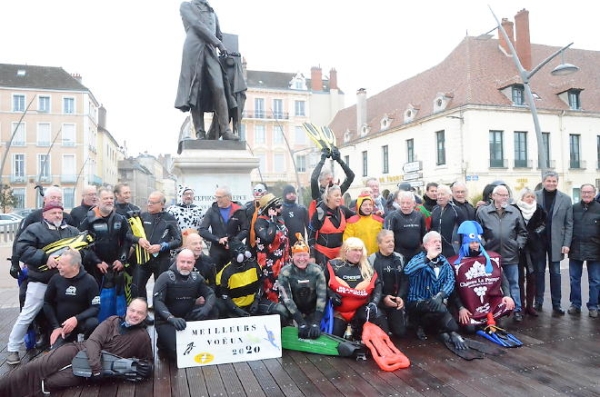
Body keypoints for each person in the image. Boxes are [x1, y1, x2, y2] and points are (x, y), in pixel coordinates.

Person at [0, 299, 153, 397]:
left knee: (49, 382)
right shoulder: (112, 321)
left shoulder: (142, 337)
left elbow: (148, 361)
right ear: (127, 309)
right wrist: (96, 367)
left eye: (139, 313)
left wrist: (148, 369)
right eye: (132, 310)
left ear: (145, 316)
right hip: (78, 351)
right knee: (36, 367)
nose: (134, 315)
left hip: (87, 371)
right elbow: (93, 341)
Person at [7, 201, 81, 365]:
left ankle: (68, 348)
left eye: (60, 213)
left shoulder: (72, 231)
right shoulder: (34, 229)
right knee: (28, 314)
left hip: (65, 282)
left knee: (68, 315)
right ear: (44, 214)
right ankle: (12, 348)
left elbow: (83, 250)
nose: (57, 215)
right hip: (41, 280)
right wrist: (43, 257)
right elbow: (22, 249)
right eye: (53, 213)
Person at [174, 0, 238, 141]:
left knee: (219, 87)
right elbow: (196, 25)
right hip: (194, 48)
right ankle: (200, 132)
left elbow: (219, 34)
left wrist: (233, 53)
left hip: (211, 50)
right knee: (195, 91)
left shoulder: (212, 12)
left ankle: (225, 130)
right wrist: (218, 43)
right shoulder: (186, 6)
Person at [448, 221, 515, 331]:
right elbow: (452, 290)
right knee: (469, 328)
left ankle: (489, 318)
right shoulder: (454, 264)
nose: (474, 245)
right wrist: (460, 308)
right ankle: (481, 321)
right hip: (468, 307)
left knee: (507, 305)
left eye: (476, 242)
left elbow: (503, 278)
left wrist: (507, 295)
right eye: (471, 242)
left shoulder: (491, 259)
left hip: (489, 304)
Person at [153, 249, 217, 359]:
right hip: (166, 321)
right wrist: (170, 318)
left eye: (189, 262)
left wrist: (206, 308)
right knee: (179, 351)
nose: (185, 265)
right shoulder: (165, 277)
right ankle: (163, 342)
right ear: (176, 261)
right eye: (182, 262)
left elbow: (210, 295)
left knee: (214, 310)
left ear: (193, 263)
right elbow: (157, 301)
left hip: (187, 317)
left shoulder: (196, 278)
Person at [477, 185, 528, 322]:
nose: (504, 197)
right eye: (500, 195)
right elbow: (478, 232)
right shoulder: (483, 212)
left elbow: (523, 232)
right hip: (490, 256)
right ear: (493, 196)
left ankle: (517, 309)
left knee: (514, 283)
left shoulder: (514, 212)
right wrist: (484, 245)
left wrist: (518, 245)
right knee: (491, 284)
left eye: (506, 195)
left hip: (511, 254)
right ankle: (494, 310)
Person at [325, 237, 387, 338]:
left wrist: (374, 303)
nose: (358, 253)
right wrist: (330, 294)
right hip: (339, 312)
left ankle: (355, 330)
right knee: (334, 338)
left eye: (360, 250)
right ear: (346, 251)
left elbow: (378, 285)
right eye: (355, 250)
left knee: (380, 321)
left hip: (359, 311)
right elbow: (321, 284)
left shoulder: (367, 266)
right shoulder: (333, 265)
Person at [404, 231, 460, 341]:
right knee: (442, 312)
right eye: (435, 242)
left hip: (436, 301)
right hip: (417, 302)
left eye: (439, 241)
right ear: (426, 245)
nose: (438, 244)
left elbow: (450, 280)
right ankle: (418, 325)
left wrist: (441, 295)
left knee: (440, 308)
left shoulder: (444, 261)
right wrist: (428, 258)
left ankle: (440, 329)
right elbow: (408, 271)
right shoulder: (418, 259)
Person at [9, 186, 73, 280]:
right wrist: (15, 263)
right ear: (45, 199)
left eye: (59, 198)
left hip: (63, 270)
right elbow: (20, 241)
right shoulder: (32, 217)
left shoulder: (67, 217)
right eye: (53, 197)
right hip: (37, 268)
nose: (56, 200)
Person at [43, 248, 99, 349]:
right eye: (58, 263)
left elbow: (95, 307)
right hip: (60, 326)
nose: (58, 266)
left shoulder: (90, 281)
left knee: (93, 323)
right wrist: (56, 327)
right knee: (56, 356)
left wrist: (76, 319)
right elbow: (47, 303)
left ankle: (85, 345)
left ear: (75, 266)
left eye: (62, 265)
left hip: (80, 323)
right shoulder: (56, 279)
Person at [534, 171, 573, 315]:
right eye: (548, 181)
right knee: (538, 272)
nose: (551, 183)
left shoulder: (566, 199)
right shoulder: (535, 196)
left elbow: (569, 224)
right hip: (538, 241)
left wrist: (566, 243)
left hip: (556, 241)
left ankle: (556, 304)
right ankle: (538, 302)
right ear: (543, 181)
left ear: (557, 182)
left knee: (556, 273)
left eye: (554, 181)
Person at [131, 191, 182, 300]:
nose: (149, 204)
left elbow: (178, 240)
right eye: (149, 201)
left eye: (153, 202)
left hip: (162, 259)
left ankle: (159, 313)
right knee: (136, 287)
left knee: (160, 290)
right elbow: (128, 235)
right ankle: (142, 312)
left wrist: (161, 246)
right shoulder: (142, 216)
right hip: (143, 258)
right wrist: (138, 240)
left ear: (162, 205)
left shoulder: (169, 218)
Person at [79, 187, 131, 286]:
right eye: (105, 198)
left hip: (116, 265)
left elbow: (126, 241)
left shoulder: (120, 219)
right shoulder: (89, 220)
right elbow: (83, 244)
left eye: (111, 198)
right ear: (98, 200)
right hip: (94, 266)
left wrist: (122, 260)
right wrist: (97, 262)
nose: (109, 201)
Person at [278, 234, 327, 339]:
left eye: (304, 255)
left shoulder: (317, 270)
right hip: (294, 311)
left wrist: (316, 322)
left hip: (311, 309)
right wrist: (300, 322)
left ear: (309, 256)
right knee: (280, 309)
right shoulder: (285, 272)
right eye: (298, 255)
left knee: (312, 333)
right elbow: (287, 299)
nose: (302, 259)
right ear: (292, 256)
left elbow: (322, 297)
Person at [567, 184, 600, 318]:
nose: (586, 195)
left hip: (595, 249)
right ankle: (575, 304)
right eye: (584, 192)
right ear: (580, 193)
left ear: (594, 193)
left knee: (595, 280)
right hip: (576, 248)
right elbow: (568, 227)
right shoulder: (574, 208)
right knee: (574, 279)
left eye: (589, 192)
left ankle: (593, 305)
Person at [513, 188, 547, 317]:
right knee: (519, 278)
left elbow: (544, 225)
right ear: (522, 198)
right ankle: (520, 305)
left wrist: (533, 235)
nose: (530, 199)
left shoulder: (539, 210)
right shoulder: (514, 209)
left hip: (534, 248)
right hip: (518, 248)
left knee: (532, 277)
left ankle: (530, 306)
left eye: (532, 197)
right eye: (527, 196)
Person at [368, 230, 408, 338]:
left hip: (395, 301)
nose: (391, 244)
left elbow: (405, 280)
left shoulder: (400, 258)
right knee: (384, 335)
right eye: (387, 241)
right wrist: (383, 298)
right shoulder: (371, 260)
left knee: (400, 333)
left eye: (392, 241)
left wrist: (400, 297)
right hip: (379, 301)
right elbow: (368, 286)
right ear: (379, 244)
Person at [199, 186, 248, 271]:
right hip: (216, 250)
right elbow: (202, 230)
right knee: (215, 276)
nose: (217, 199)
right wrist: (218, 239)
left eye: (219, 197)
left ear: (228, 197)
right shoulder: (212, 210)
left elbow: (245, 229)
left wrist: (233, 240)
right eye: (216, 197)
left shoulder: (239, 210)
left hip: (234, 249)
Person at [254, 193, 289, 304]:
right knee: (271, 290)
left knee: (284, 290)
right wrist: (272, 222)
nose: (281, 208)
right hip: (269, 264)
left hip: (283, 261)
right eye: (278, 207)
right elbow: (267, 238)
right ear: (270, 209)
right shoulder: (260, 222)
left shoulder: (280, 220)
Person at [308, 185, 355, 268]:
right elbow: (311, 236)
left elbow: (358, 218)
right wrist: (312, 256)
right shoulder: (319, 213)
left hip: (340, 254)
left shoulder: (343, 210)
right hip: (323, 254)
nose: (339, 198)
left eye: (340, 195)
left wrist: (376, 215)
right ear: (328, 197)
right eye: (336, 195)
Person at [384, 191, 426, 263]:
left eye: (408, 203)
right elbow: (387, 237)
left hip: (416, 254)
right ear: (399, 203)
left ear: (414, 204)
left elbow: (424, 235)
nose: (405, 205)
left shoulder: (419, 216)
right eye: (402, 203)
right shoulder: (392, 216)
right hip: (398, 255)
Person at [429, 184, 465, 258]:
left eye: (442, 194)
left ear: (449, 196)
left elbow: (463, 230)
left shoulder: (456, 210)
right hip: (437, 248)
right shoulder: (435, 209)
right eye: (438, 194)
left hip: (452, 248)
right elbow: (432, 228)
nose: (440, 197)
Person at [246, 183, 268, 252]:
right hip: (250, 242)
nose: (257, 193)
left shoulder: (270, 206)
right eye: (255, 191)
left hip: (265, 241)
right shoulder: (248, 206)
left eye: (259, 191)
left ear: (265, 193)